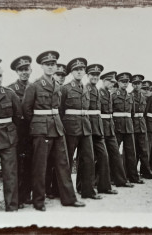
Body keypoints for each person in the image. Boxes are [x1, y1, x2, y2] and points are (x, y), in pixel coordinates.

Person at [22, 51, 85, 211]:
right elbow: (26, 110)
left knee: (64, 164)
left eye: (53, 65)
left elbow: (59, 108)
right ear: (42, 66)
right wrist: (38, 126)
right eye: (47, 65)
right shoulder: (34, 86)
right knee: (40, 166)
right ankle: (39, 200)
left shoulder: (58, 86)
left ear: (56, 66)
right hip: (41, 129)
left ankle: (69, 198)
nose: (50, 67)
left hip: (58, 128)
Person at [60, 57, 102, 200]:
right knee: (67, 160)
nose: (79, 72)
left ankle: (87, 191)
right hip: (70, 128)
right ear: (71, 72)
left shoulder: (86, 88)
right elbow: (60, 111)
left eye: (81, 69)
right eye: (76, 69)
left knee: (88, 160)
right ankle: (66, 193)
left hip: (86, 127)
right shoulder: (65, 88)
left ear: (85, 72)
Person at [82, 64, 117, 194]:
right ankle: (84, 187)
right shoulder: (85, 88)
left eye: (97, 75)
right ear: (88, 75)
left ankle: (104, 186)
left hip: (98, 127)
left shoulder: (96, 90)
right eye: (92, 75)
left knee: (103, 156)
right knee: (87, 159)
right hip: (87, 126)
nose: (95, 77)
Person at [0, 59, 22, 212]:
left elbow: (18, 116)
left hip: (8, 137)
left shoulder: (10, 94)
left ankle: (12, 207)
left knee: (10, 173)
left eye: (0, 75)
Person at [99, 71, 134, 187]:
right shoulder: (102, 94)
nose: (112, 83)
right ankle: (100, 180)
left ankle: (120, 180)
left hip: (112, 126)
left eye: (113, 81)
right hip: (104, 127)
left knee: (116, 155)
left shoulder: (109, 94)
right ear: (103, 80)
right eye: (110, 81)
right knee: (102, 156)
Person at [9, 56, 33, 209]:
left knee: (31, 162)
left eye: (27, 69)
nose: (24, 72)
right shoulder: (10, 89)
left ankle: (26, 195)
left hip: (32, 130)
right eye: (21, 70)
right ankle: (16, 197)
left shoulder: (34, 87)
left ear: (31, 70)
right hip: (17, 131)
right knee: (17, 164)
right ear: (17, 72)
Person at [112, 72, 144, 184]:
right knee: (115, 153)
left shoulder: (130, 96)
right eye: (122, 81)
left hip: (129, 127)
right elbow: (110, 112)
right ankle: (113, 178)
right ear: (118, 82)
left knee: (131, 153)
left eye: (126, 82)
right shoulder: (113, 95)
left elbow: (133, 113)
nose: (125, 84)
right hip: (117, 127)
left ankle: (133, 177)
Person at [130, 75, 152, 180]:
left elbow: (145, 113)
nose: (137, 85)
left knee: (144, 150)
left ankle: (147, 172)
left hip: (142, 126)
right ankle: (131, 174)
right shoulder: (129, 96)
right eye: (135, 83)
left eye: (139, 83)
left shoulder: (144, 98)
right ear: (132, 85)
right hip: (132, 126)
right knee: (132, 151)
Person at [45, 63, 67, 199]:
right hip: (46, 128)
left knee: (58, 161)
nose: (61, 77)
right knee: (46, 160)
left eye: (63, 75)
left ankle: (56, 188)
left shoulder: (62, 89)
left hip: (60, 128)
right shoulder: (46, 87)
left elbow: (63, 111)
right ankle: (47, 189)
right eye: (58, 74)